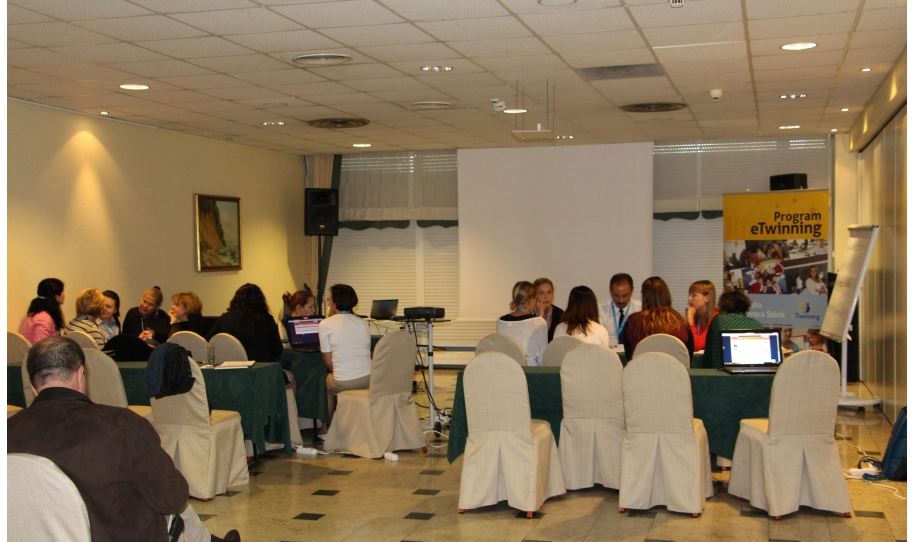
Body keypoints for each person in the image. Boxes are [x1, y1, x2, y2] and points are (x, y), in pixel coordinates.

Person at [8, 336, 240, 542]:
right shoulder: (121, 424)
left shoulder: (9, 429)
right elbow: (172, 497)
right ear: (80, 375)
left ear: (33, 387)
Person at [318, 283, 371, 424]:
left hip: (344, 382)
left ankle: (328, 426)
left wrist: (343, 373)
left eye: (329, 299)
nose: (328, 302)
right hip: (369, 378)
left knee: (327, 380)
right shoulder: (363, 322)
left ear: (335, 303)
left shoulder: (325, 324)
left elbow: (328, 362)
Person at [621, 276, 693, 361]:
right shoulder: (681, 322)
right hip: (674, 368)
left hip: (642, 368)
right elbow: (688, 357)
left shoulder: (633, 321)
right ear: (667, 295)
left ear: (644, 297)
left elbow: (629, 356)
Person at [207, 284, 282, 363]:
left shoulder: (225, 318)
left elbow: (208, 342)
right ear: (260, 301)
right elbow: (277, 350)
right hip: (261, 366)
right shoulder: (267, 319)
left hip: (230, 366)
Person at [701, 289, 764, 369]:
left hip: (724, 372)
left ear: (723, 305)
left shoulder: (719, 321)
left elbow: (708, 356)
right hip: (755, 371)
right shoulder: (756, 324)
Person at [497, 281, 547, 366]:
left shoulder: (500, 321)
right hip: (529, 371)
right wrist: (541, 318)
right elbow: (542, 357)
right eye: (535, 299)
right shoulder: (539, 322)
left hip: (506, 367)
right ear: (531, 300)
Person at [599, 273, 642, 348]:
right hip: (608, 352)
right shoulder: (600, 309)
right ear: (610, 291)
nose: (621, 300)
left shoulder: (640, 309)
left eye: (625, 295)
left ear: (632, 291)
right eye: (616, 296)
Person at [19, 277, 65, 344]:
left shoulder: (35, 313)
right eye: (63, 291)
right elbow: (41, 347)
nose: (64, 295)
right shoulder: (43, 318)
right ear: (56, 296)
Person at [685, 280, 718, 352]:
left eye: (694, 295)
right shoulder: (696, 315)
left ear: (707, 298)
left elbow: (697, 345)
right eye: (689, 295)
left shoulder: (716, 319)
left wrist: (690, 321)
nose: (689, 299)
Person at [533, 277, 564, 342]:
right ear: (534, 296)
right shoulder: (528, 315)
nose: (546, 297)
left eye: (549, 292)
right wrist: (540, 317)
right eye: (541, 293)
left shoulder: (561, 315)